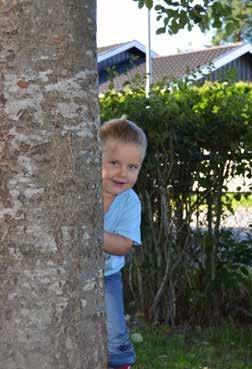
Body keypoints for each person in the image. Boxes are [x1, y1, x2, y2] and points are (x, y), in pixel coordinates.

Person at [101, 118, 147, 369]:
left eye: (132, 166)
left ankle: (121, 363)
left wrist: (92, 233)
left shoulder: (130, 202)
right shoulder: (81, 191)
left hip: (108, 276)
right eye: (114, 163)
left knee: (115, 333)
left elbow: (123, 246)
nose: (123, 173)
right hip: (71, 276)